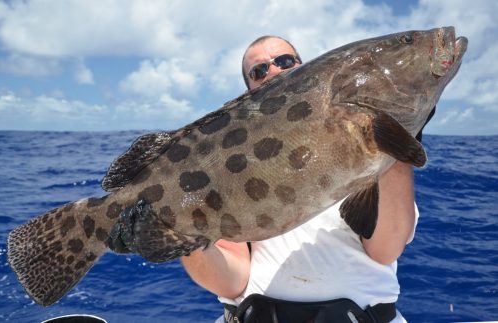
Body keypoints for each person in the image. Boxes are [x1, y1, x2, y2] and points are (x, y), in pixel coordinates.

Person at [181, 35, 424, 323]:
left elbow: (385, 250)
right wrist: (184, 236)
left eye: (284, 61)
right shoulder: (229, 169)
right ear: (248, 95)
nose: (273, 71)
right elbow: (230, 282)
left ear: (306, 68)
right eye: (258, 71)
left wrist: (397, 150)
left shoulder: (360, 144)